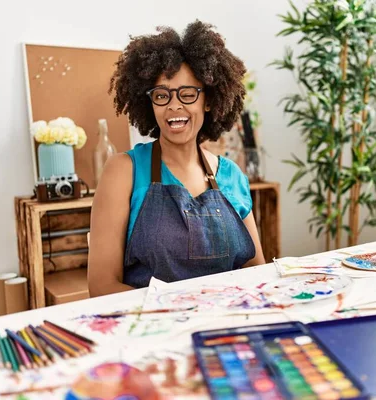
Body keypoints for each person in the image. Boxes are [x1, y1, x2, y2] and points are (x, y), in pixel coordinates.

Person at [88, 22, 265, 297]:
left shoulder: (231, 176)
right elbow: (101, 286)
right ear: (150, 103)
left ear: (208, 100)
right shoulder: (124, 171)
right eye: (161, 95)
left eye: (187, 93)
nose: (174, 106)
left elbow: (256, 271)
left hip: (225, 325)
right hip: (152, 329)